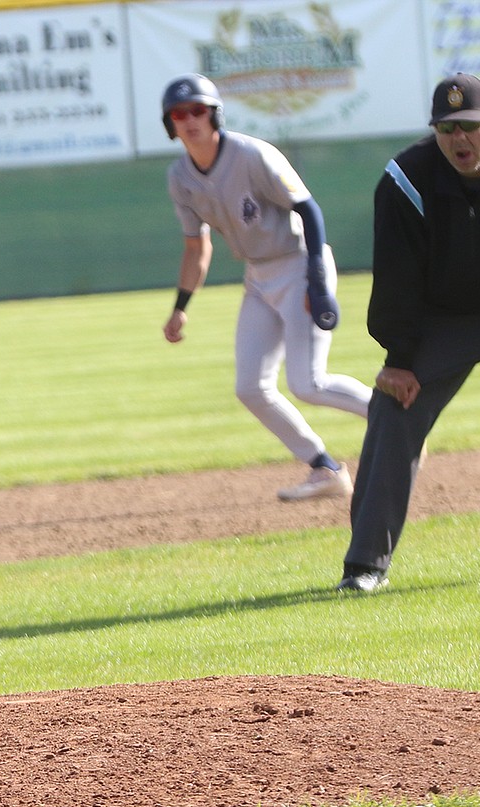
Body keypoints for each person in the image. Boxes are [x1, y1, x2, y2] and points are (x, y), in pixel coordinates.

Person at [338, 72, 480, 591]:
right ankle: (366, 564)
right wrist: (398, 356)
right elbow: (397, 276)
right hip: (446, 320)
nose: (458, 139)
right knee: (393, 406)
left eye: (469, 125)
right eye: (446, 128)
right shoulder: (405, 179)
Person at [160, 73, 372, 501]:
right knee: (250, 388)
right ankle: (325, 468)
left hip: (297, 265)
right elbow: (196, 248)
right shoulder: (180, 176)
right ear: (171, 124)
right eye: (180, 114)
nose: (190, 119)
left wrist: (317, 279)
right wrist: (182, 306)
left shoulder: (252, 154)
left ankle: (395, 420)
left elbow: (308, 210)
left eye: (198, 109)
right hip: (257, 277)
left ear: (214, 114)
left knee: (308, 382)